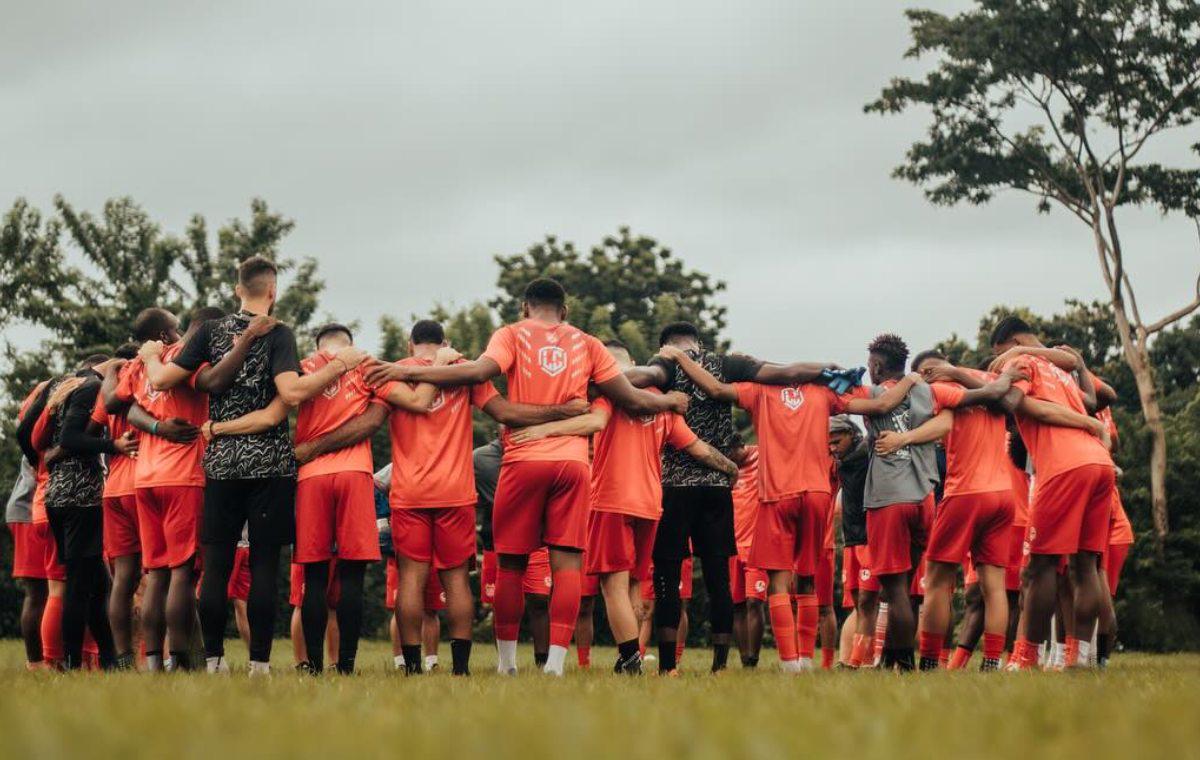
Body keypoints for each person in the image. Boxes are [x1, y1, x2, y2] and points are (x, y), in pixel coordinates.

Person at [364, 278, 687, 676]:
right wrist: (671, 399)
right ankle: (554, 664)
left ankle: (505, 664)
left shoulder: (511, 335)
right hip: (572, 465)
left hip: (520, 460)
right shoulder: (588, 343)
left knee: (511, 566)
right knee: (566, 566)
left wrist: (399, 368)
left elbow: (482, 373)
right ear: (564, 311)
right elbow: (632, 398)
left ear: (524, 307)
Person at [141, 256, 368, 675]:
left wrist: (149, 356)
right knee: (264, 564)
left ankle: (213, 660)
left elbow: (160, 380)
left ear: (236, 289)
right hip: (270, 463)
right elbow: (292, 393)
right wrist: (340, 364)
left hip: (222, 464)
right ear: (273, 291)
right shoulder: (279, 333)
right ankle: (260, 664)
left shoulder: (209, 331)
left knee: (216, 564)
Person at [659, 341, 917, 672]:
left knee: (779, 582)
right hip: (816, 493)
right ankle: (807, 660)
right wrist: (910, 381)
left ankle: (789, 663)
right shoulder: (822, 390)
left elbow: (713, 388)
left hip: (777, 494)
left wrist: (679, 356)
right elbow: (880, 405)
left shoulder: (759, 390)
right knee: (807, 579)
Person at [509, 339, 738, 674]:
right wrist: (730, 468)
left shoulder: (607, 398)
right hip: (649, 504)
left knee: (612, 585)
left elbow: (592, 422)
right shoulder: (663, 406)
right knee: (633, 583)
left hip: (612, 501)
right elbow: (698, 448)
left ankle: (630, 659)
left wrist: (541, 430)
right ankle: (631, 653)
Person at [626, 322, 834, 673]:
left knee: (666, 577)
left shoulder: (665, 365)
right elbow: (788, 372)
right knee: (719, 578)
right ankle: (720, 666)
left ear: (665, 345)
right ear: (700, 342)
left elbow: (636, 376)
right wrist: (830, 370)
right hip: (718, 487)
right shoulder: (725, 364)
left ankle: (666, 666)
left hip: (675, 486)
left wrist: (600, 375)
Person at [967, 318, 1117, 669]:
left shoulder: (1022, 363)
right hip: (1099, 463)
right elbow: (1093, 397)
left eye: (999, 355)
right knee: (1085, 567)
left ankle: (1025, 657)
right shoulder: (1062, 373)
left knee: (1038, 568)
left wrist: (997, 382)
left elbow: (1013, 402)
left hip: (1064, 466)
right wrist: (1089, 419)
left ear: (1012, 342)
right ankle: (1080, 657)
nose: (999, 363)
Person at [116, 307, 225, 670]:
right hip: (183, 476)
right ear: (165, 335)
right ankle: (180, 660)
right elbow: (213, 381)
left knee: (156, 573)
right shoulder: (185, 358)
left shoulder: (138, 365)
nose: (180, 334)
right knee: (181, 572)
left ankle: (152, 662)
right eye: (176, 328)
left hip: (144, 477)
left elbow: (123, 406)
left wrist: (156, 427)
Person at [43, 356, 137, 669]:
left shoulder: (62, 384)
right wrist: (114, 446)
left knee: (97, 584)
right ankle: (71, 662)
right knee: (80, 585)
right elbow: (71, 437)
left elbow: (31, 432)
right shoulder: (91, 387)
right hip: (80, 497)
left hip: (57, 493)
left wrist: (47, 456)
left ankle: (109, 661)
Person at [830, 415, 877, 668]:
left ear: (853, 434)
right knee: (859, 604)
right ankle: (854, 659)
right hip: (851, 540)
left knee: (870, 602)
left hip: (871, 538)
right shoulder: (840, 459)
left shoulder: (865, 452)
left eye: (837, 441)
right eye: (829, 444)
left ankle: (857, 660)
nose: (833, 448)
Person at [729, 443, 767, 668]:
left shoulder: (761, 453)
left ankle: (754, 657)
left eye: (732, 454)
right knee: (738, 604)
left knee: (755, 601)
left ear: (740, 446)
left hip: (758, 545)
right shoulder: (723, 466)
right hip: (732, 546)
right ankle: (745, 660)